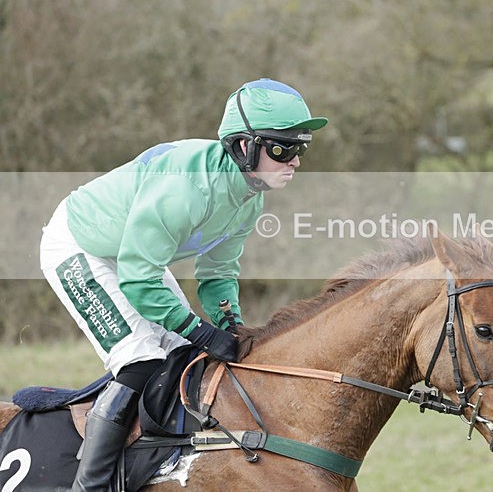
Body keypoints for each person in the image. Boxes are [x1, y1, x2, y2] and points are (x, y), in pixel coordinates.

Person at [39, 78, 327, 491]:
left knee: (182, 357)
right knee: (140, 361)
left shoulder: (250, 194)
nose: (295, 161)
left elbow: (218, 273)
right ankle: (91, 485)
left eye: (300, 148)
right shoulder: (186, 188)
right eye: (282, 148)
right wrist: (198, 328)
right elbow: (138, 279)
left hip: (133, 254)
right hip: (81, 246)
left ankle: (164, 460)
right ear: (244, 146)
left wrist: (228, 326)